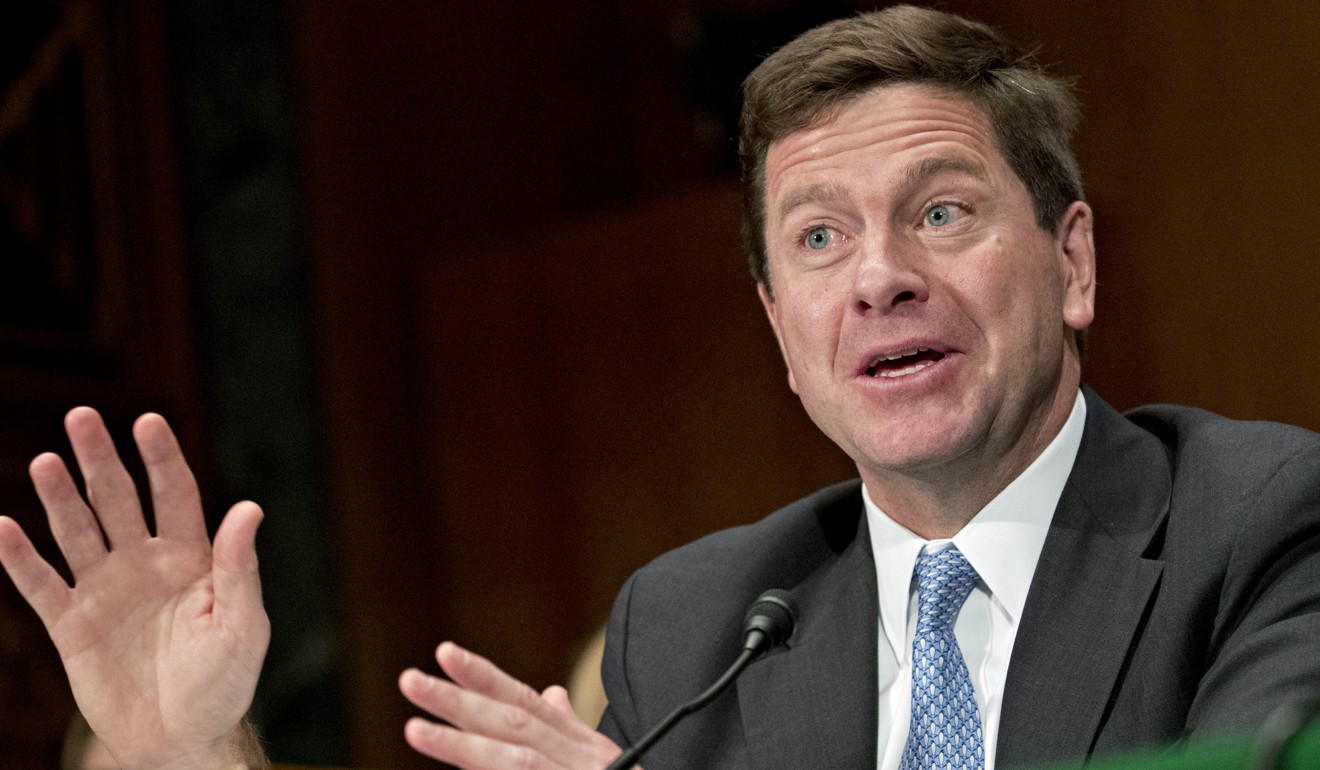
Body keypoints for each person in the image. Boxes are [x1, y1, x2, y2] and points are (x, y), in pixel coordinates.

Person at [1, 5, 1318, 769]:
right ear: (779, 327)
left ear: (1072, 261)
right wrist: (187, 754)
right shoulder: (695, 627)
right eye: (817, 238)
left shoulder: (1261, 523)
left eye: (943, 210)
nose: (878, 278)